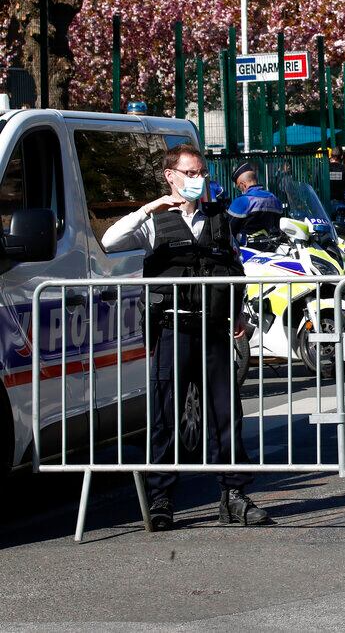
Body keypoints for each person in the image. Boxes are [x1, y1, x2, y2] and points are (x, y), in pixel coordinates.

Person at [101, 144, 270, 531]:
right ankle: (161, 499)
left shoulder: (217, 218)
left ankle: (234, 496)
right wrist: (150, 208)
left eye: (202, 174)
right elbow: (110, 241)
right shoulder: (153, 222)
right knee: (165, 417)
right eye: (190, 173)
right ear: (171, 176)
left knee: (226, 415)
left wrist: (239, 310)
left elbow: (233, 267)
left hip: (212, 329)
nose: (198, 181)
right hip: (172, 329)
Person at [226, 162, 284, 243]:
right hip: (272, 247)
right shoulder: (274, 198)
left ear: (243, 184)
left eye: (239, 187)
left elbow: (229, 230)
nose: (240, 190)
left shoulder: (242, 201)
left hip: (246, 251)